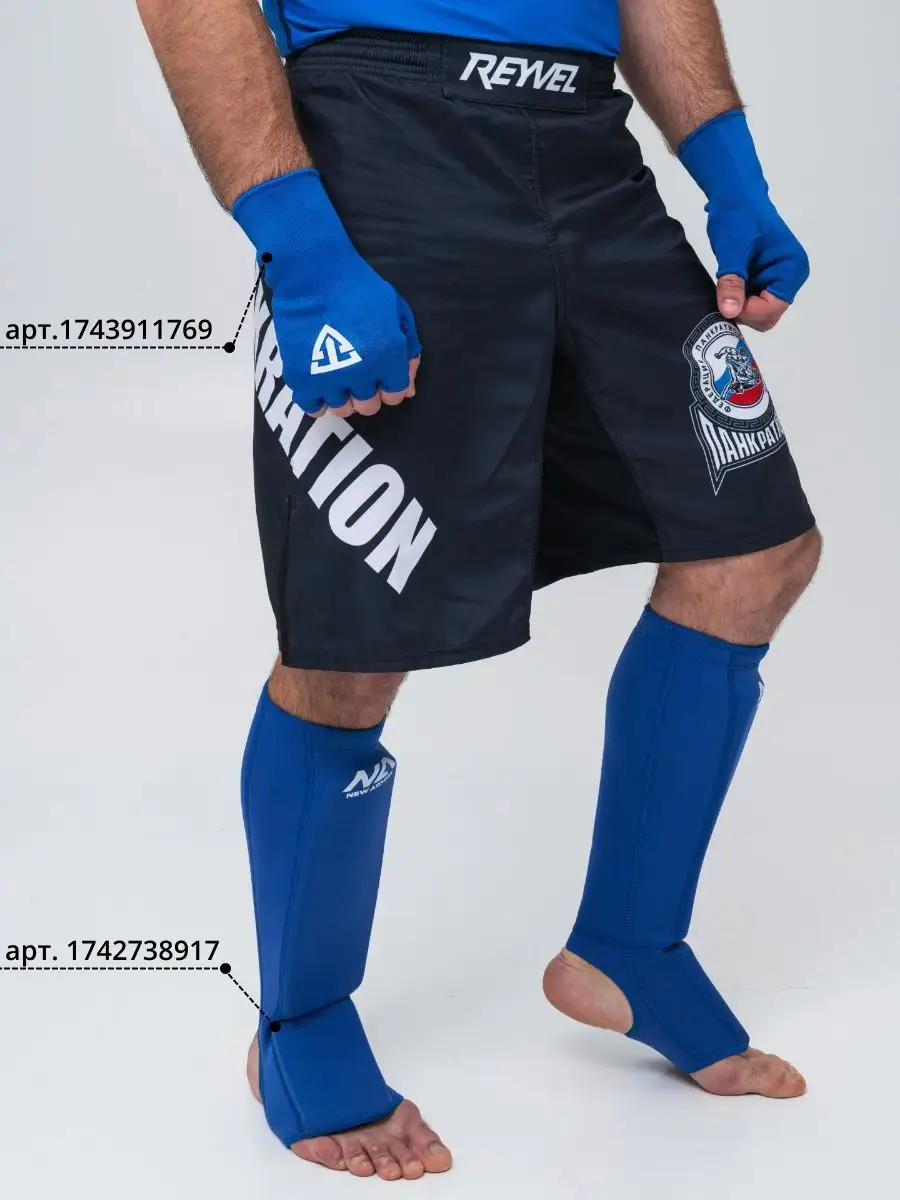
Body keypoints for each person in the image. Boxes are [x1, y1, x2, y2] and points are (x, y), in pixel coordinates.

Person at [136, 0, 820, 1181]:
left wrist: (734, 177)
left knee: (754, 549)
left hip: (588, 151)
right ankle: (298, 1023)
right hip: (386, 145)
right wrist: (301, 244)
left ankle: (628, 945)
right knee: (358, 635)